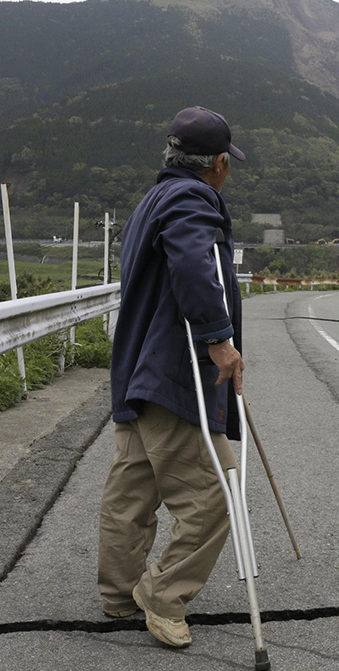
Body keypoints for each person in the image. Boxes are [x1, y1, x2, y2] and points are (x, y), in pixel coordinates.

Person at [99, 106, 247, 649]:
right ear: (220, 163)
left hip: (136, 368)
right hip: (172, 372)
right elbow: (191, 261)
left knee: (131, 491)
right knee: (216, 494)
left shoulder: (151, 201)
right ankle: (162, 596)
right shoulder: (192, 198)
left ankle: (118, 594)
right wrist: (218, 337)